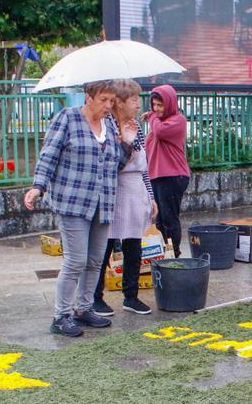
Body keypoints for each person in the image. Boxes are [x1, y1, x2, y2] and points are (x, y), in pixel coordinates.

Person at [25, 81, 128, 337]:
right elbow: (49, 154)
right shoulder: (68, 118)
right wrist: (38, 186)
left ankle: (84, 308)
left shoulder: (111, 125)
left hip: (103, 203)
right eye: (103, 99)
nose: (108, 106)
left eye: (112, 101)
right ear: (88, 97)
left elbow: (116, 165)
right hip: (73, 201)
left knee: (95, 261)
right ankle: (61, 316)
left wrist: (124, 143)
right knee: (76, 260)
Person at [92, 79, 158, 316]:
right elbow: (110, 166)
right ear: (119, 103)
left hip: (135, 192)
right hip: (113, 192)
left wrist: (151, 197)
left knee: (134, 246)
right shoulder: (106, 127)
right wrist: (125, 142)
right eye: (134, 100)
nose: (138, 105)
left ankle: (131, 296)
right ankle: (94, 297)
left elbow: (144, 168)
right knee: (104, 246)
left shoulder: (137, 127)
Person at [144, 85, 190, 257]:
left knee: (170, 218)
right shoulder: (158, 121)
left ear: (170, 104)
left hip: (173, 175)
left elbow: (160, 132)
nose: (156, 109)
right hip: (157, 176)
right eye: (154, 105)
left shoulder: (178, 120)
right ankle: (165, 252)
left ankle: (174, 253)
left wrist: (151, 116)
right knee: (160, 220)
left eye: (160, 105)